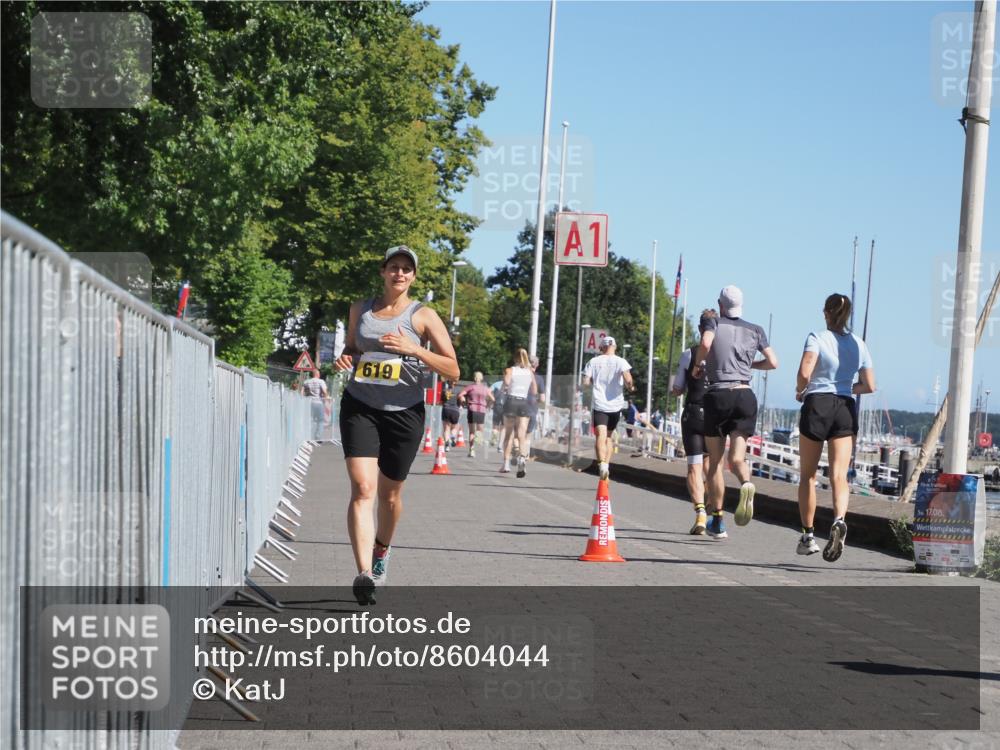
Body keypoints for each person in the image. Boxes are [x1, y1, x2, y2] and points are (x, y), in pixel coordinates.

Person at [334, 245, 459, 605]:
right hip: (361, 406)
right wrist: (347, 357)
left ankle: (382, 550)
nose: (399, 274)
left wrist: (415, 349)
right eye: (394, 267)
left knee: (390, 497)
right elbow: (353, 348)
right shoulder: (361, 309)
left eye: (406, 269)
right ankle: (364, 575)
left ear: (413, 277)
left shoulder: (424, 317)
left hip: (405, 413)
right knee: (362, 488)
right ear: (382, 272)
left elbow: (453, 368)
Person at [692, 287, 778, 539]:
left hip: (718, 394)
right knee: (737, 459)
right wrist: (750, 365)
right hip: (745, 394)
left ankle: (717, 521)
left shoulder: (712, 321)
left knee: (716, 463)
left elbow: (706, 343)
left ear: (720, 304)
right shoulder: (756, 329)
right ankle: (746, 483)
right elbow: (773, 362)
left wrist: (699, 365)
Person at [794, 293, 875, 561]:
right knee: (839, 476)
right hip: (844, 407)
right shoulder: (859, 344)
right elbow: (870, 386)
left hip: (818, 403)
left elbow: (805, 371)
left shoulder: (816, 338)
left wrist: (800, 390)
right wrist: (848, 388)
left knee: (808, 475)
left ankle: (808, 536)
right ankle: (839, 519)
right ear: (848, 314)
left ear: (825, 312)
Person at [672, 310, 717, 534]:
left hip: (693, 413)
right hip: (716, 415)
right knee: (712, 466)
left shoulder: (688, 354)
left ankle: (700, 511)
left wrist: (677, 388)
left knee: (694, 466)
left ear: (701, 329)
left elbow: (678, 387)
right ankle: (712, 508)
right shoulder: (725, 355)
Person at [583, 335, 635, 481]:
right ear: (615, 347)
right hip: (615, 405)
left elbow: (586, 382)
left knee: (600, 435)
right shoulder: (621, 361)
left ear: (602, 347)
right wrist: (630, 386)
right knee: (609, 437)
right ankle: (606, 464)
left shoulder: (593, 361)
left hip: (599, 404)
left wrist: (589, 383)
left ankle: (602, 465)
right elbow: (628, 378)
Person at [501, 349, 538, 477]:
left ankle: (505, 464)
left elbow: (506, 383)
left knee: (509, 435)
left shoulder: (510, 370)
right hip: (523, 402)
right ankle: (522, 458)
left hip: (511, 401)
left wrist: (506, 387)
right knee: (521, 435)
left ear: (515, 358)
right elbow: (534, 391)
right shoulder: (530, 373)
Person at [458, 372, 494, 458]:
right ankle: (479, 438)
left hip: (472, 409)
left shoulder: (470, 387)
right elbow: (493, 399)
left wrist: (462, 401)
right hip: (481, 410)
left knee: (471, 432)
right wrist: (488, 405)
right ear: (481, 378)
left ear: (474, 378)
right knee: (479, 430)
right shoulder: (485, 388)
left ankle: (472, 450)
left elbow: (460, 395)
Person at [525, 355, 545, 458]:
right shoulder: (539, 379)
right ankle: (526, 454)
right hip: (532, 408)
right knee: (528, 434)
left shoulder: (521, 376)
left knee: (518, 433)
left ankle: (518, 451)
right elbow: (542, 399)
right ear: (536, 365)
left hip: (519, 407)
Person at [302, 368, 329, 440]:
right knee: (320, 420)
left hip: (309, 403)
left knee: (310, 419)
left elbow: (302, 393)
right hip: (319, 402)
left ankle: (308, 435)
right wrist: (325, 400)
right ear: (317, 374)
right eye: (319, 374)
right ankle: (318, 436)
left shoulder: (306, 382)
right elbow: (324, 392)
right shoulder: (321, 382)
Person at [441, 380, 461, 450]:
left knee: (446, 429)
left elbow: (442, 400)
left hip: (446, 409)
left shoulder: (444, 390)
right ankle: (453, 436)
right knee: (454, 427)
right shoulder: (458, 390)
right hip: (455, 410)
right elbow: (460, 401)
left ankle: (446, 446)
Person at [489, 378, 507, 451]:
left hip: (497, 406)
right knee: (503, 427)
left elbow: (488, 391)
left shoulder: (496, 383)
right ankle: (500, 446)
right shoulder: (511, 384)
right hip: (506, 407)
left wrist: (492, 399)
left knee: (495, 425)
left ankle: (494, 439)